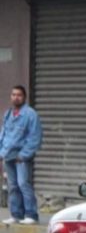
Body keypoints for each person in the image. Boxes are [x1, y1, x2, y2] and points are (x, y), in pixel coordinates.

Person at [0, 85, 43, 225]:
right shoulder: (8, 114)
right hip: (8, 155)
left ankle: (31, 214)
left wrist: (24, 155)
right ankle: (16, 215)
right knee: (12, 186)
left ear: (24, 97)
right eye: (13, 94)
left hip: (21, 157)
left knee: (23, 183)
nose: (15, 97)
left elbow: (35, 137)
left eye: (19, 95)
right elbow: (4, 135)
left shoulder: (30, 114)